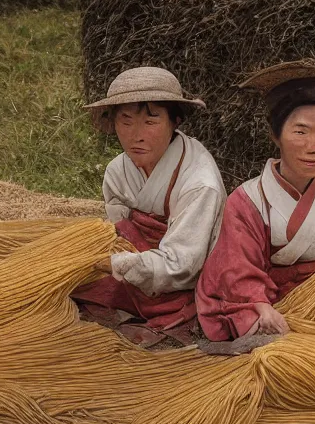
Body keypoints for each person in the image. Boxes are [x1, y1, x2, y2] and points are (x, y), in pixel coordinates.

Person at [196, 60, 315, 342]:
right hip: (261, 304)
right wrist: (262, 307)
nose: (314, 147)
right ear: (275, 135)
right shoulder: (247, 200)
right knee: (259, 333)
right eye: (300, 132)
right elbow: (238, 272)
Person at [71, 67, 225, 345]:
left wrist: (116, 264)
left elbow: (183, 265)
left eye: (150, 121)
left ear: (175, 121)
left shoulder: (200, 183)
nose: (136, 136)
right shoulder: (118, 172)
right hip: (137, 265)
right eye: (126, 121)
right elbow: (118, 234)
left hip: (186, 278)